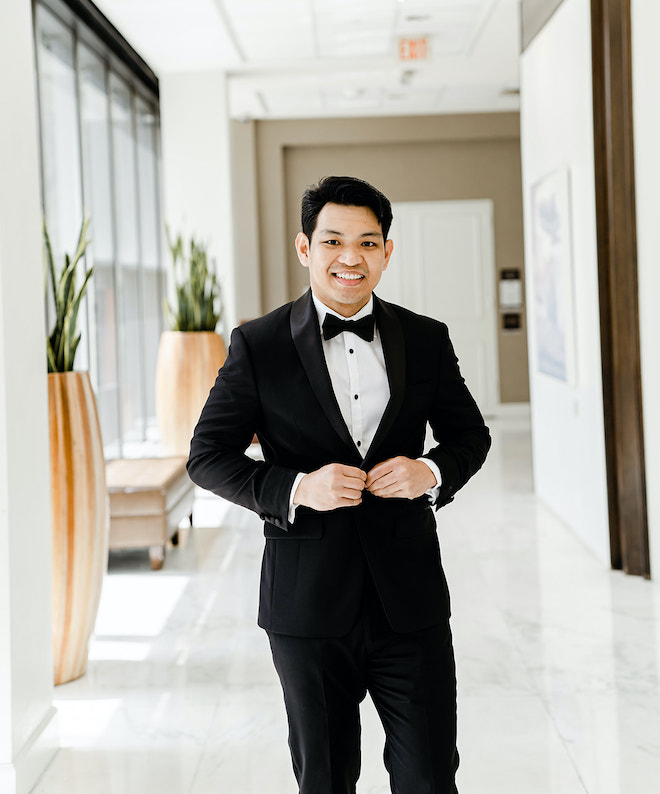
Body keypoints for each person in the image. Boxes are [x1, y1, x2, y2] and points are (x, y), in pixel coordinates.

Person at [187, 175, 491, 794]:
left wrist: (428, 471)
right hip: (306, 607)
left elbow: (471, 437)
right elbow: (206, 456)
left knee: (431, 778)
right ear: (305, 249)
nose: (350, 258)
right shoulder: (258, 345)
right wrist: (297, 488)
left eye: (367, 242)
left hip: (409, 603)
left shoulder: (427, 339)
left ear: (386, 252)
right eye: (333, 241)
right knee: (324, 780)